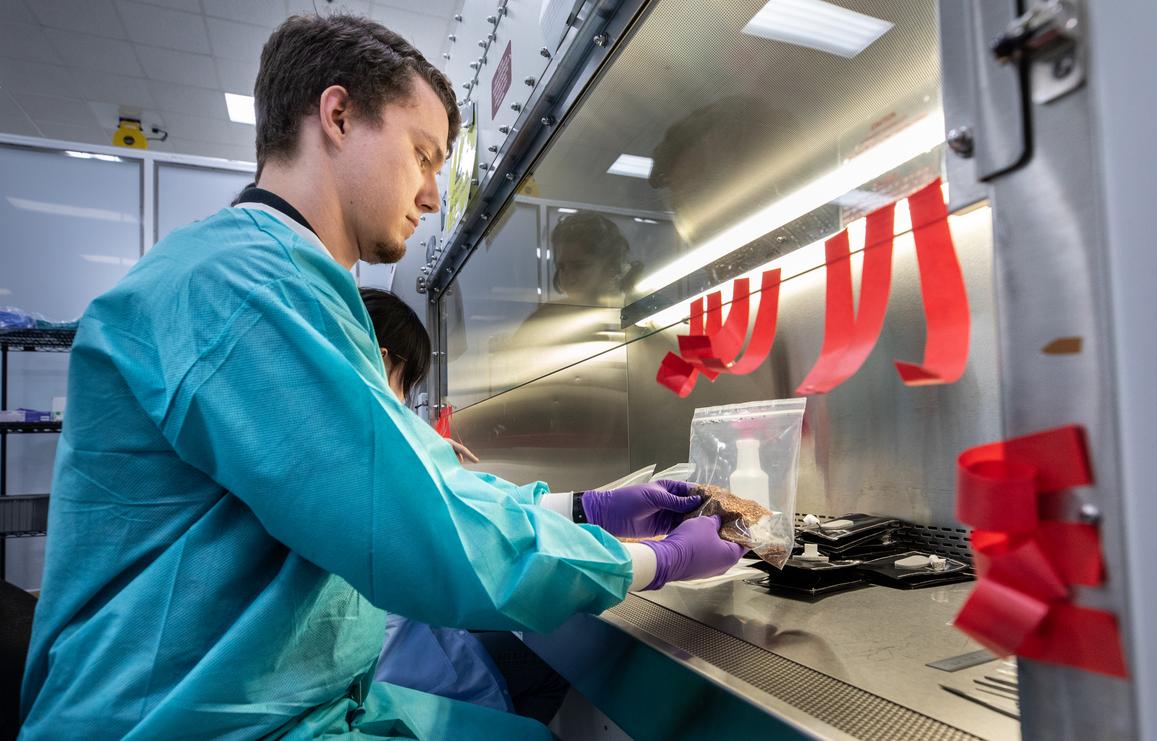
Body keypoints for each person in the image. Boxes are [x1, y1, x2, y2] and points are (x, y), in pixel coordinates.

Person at [19, 14, 745, 739]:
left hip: (283, 707)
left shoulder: (291, 284)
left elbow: (422, 479)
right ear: (337, 116)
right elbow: (415, 528)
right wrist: (652, 560)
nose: (432, 195)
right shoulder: (240, 289)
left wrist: (590, 508)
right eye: (423, 155)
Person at [359, 287, 569, 723]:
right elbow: (467, 548)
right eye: (405, 383)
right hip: (397, 667)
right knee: (550, 674)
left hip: (388, 655)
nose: (402, 402)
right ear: (380, 360)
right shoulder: (372, 452)